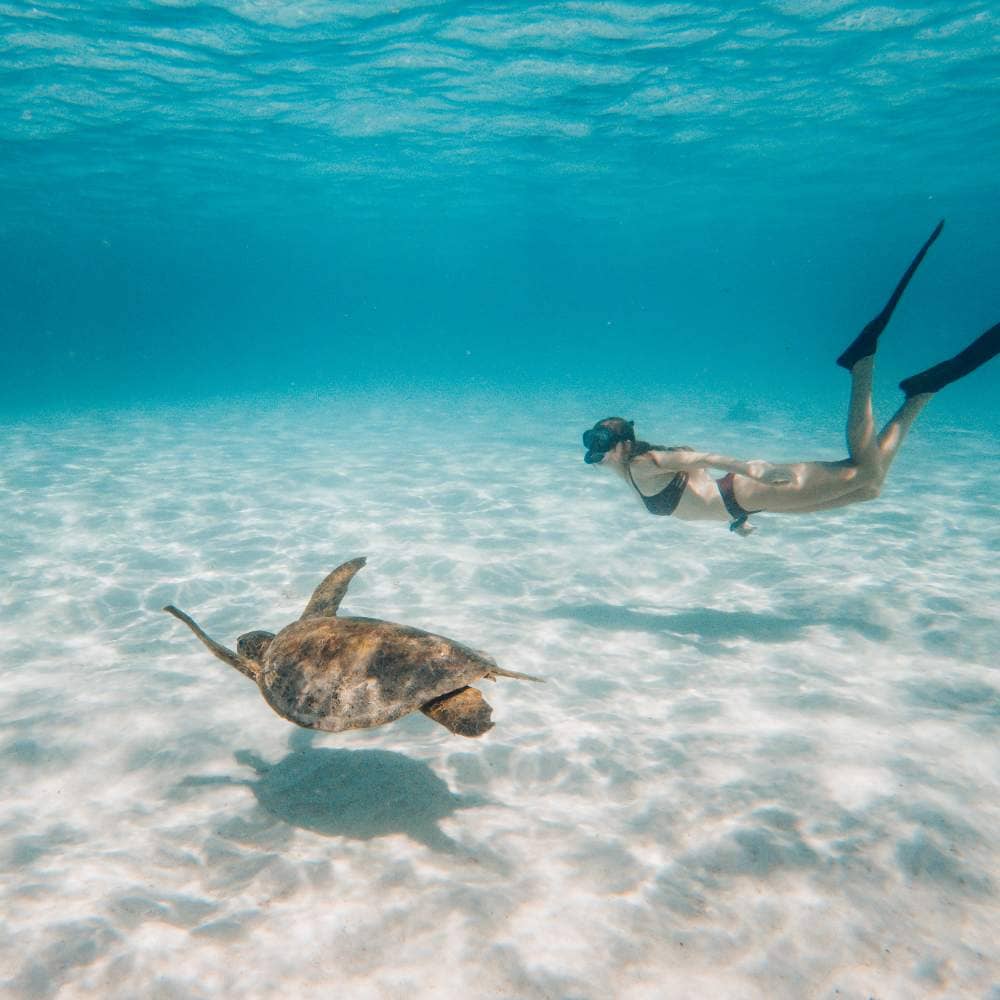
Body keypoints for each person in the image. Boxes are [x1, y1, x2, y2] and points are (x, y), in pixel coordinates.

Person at [581, 220, 999, 536]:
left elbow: (704, 460)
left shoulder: (645, 462)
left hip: (750, 489)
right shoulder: (625, 470)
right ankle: (918, 394)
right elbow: (695, 487)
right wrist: (737, 521)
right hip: (745, 504)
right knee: (869, 489)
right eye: (593, 444)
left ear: (622, 445)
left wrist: (756, 472)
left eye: (601, 443)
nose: (594, 453)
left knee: (865, 475)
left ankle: (864, 368)